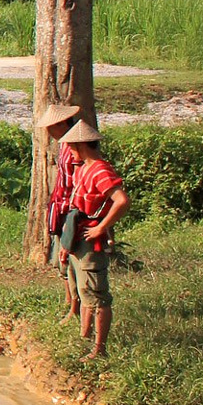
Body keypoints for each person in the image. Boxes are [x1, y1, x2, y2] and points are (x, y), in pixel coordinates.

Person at [59, 122, 130, 360]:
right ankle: (85, 335)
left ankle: (100, 349)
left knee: (97, 295)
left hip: (91, 240)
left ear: (80, 145)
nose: (69, 150)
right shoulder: (83, 168)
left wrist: (101, 227)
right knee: (83, 289)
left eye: (70, 146)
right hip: (78, 237)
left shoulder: (100, 170)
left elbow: (121, 201)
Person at [37, 104, 84, 316]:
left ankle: (75, 306)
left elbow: (78, 183)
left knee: (68, 258)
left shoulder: (75, 148)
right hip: (60, 208)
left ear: (61, 124)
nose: (48, 132)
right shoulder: (64, 145)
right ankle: (69, 300)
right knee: (60, 259)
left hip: (69, 210)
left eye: (50, 127)